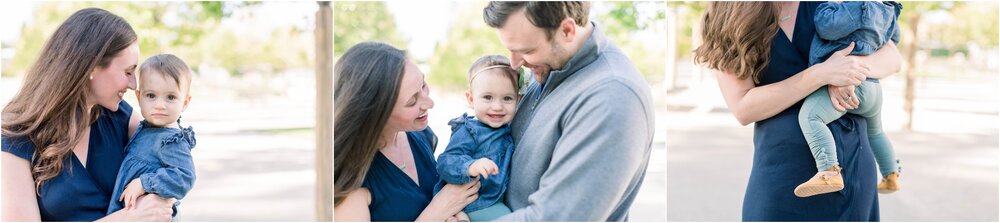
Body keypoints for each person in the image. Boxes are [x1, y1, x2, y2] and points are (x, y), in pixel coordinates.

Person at [695, 1, 902, 220]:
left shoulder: (830, 3)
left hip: (851, 174)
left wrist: (850, 68)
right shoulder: (726, 14)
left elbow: (893, 58)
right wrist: (820, 75)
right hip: (781, 179)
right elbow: (743, 107)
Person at [482, 2, 655, 221]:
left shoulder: (613, 97)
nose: (515, 64)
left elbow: (556, 217)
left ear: (567, 31)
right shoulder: (550, 68)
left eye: (526, 50)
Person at [1, 8, 175, 221]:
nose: (133, 84)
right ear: (91, 66)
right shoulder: (18, 134)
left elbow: (173, 169)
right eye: (128, 72)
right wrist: (127, 218)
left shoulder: (121, 117)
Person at [333, 42, 479, 221]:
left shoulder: (422, 136)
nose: (429, 103)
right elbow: (439, 206)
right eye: (412, 101)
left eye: (423, 85)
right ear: (377, 113)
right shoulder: (351, 182)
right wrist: (437, 211)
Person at [794, 1, 903, 197]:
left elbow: (828, 28)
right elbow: (894, 36)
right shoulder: (887, 8)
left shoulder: (854, 6)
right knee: (876, 132)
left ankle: (829, 171)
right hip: (872, 87)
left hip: (850, 85)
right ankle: (891, 174)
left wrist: (828, 7)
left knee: (811, 117)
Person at [107, 54, 197, 218]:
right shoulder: (146, 129)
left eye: (170, 97)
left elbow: (185, 177)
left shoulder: (171, 141)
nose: (160, 105)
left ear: (184, 103)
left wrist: (144, 182)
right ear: (139, 97)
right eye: (151, 96)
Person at [435, 55, 520, 221]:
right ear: (471, 99)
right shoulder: (470, 130)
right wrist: (470, 166)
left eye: (507, 98)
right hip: (474, 202)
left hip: (492, 200)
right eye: (488, 97)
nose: (497, 106)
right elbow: (445, 161)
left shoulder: (508, 128)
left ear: (518, 99)